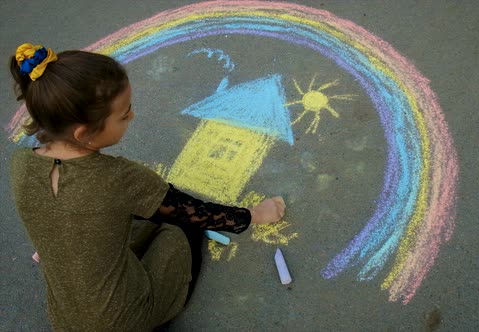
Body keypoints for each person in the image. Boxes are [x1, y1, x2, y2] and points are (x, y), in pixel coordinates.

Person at [8, 43, 286, 331]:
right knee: (180, 230)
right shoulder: (117, 178)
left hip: (66, 319)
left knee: (131, 217)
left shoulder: (21, 164)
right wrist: (254, 214)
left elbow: (49, 210)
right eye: (124, 114)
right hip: (120, 320)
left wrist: (51, 242)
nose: (132, 117)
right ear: (84, 133)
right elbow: (193, 212)